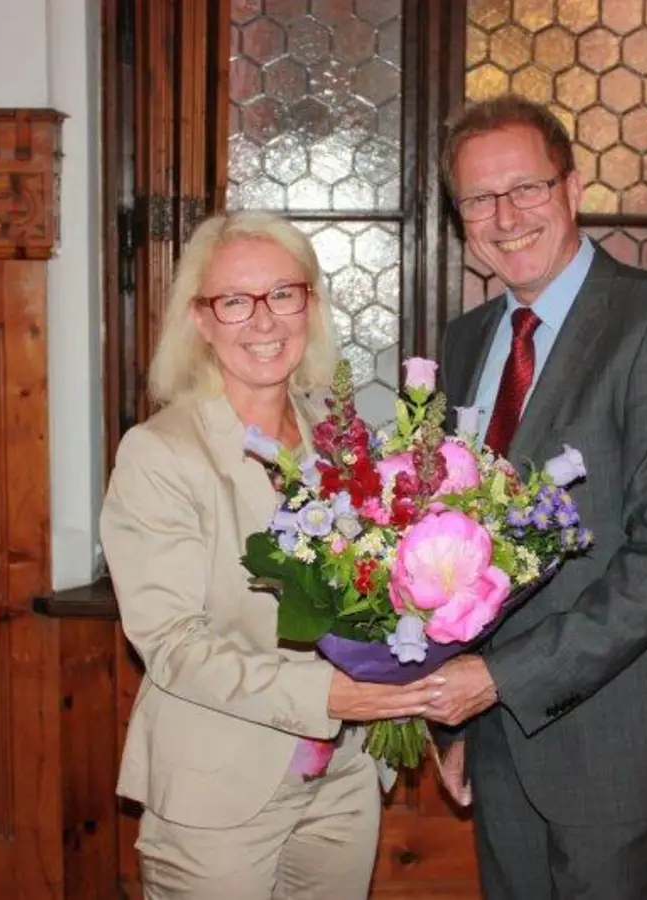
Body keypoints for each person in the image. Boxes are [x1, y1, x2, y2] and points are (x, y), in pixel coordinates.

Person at [422, 94, 647, 898]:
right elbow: (459, 554)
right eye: (479, 200)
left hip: (615, 739)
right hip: (498, 740)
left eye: (526, 187)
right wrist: (464, 721)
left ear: (572, 186)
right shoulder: (466, 341)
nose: (506, 216)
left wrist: (500, 681)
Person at [99, 211, 442, 899]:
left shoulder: (337, 437)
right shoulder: (162, 452)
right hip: (219, 789)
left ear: (309, 305)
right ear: (200, 318)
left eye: (284, 294)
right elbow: (173, 643)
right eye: (234, 301)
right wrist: (329, 694)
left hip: (343, 776)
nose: (264, 321)